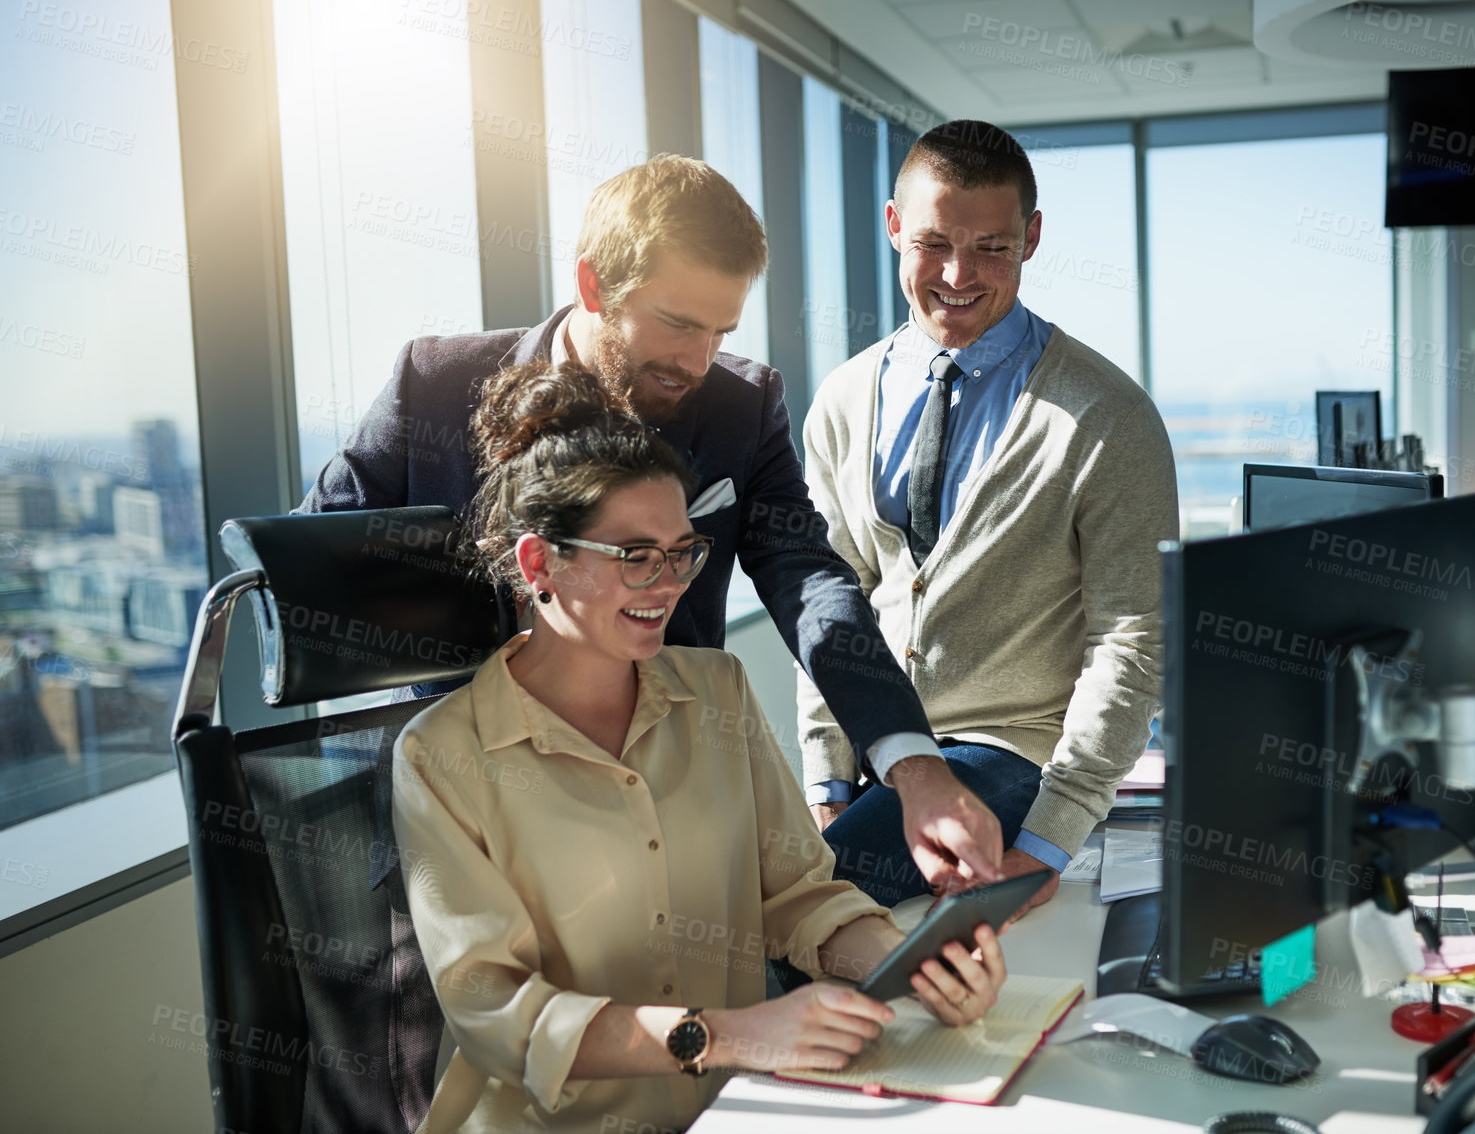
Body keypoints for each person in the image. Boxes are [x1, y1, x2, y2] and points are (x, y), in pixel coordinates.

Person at [300, 155, 1002, 896]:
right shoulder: (435, 386)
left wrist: (912, 763)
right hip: (462, 819)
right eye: (676, 324)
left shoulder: (742, 404)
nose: (697, 361)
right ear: (593, 284)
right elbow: (311, 570)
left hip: (661, 824)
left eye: (720, 330)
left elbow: (808, 580)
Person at [395, 362, 1008, 1133]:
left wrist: (907, 958)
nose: (668, 582)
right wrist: (731, 1034)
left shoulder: (714, 690)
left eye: (682, 551)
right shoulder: (441, 755)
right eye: (635, 555)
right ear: (538, 561)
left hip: (737, 1110)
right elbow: (497, 1012)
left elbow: (798, 895)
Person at [800, 120, 1180, 910]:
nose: (958, 274)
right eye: (933, 241)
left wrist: (1046, 841)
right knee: (758, 896)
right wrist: (827, 776)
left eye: (992, 247)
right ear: (892, 225)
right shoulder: (842, 398)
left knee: (817, 908)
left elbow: (1130, 640)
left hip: (1010, 755)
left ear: (1031, 238)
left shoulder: (1107, 414)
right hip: (883, 752)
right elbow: (831, 599)